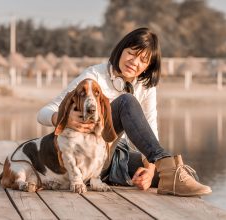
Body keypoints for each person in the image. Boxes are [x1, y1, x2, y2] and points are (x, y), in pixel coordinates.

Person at [37, 27, 212, 196]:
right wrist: (63, 118)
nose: (134, 62)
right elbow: (42, 113)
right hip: (82, 157)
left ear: (148, 66)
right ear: (121, 49)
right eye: (132, 53)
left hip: (114, 159)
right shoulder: (94, 76)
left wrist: (150, 170)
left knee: (182, 176)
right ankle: (167, 169)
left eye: (143, 60)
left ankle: (164, 172)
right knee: (126, 101)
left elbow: (151, 129)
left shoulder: (146, 86)